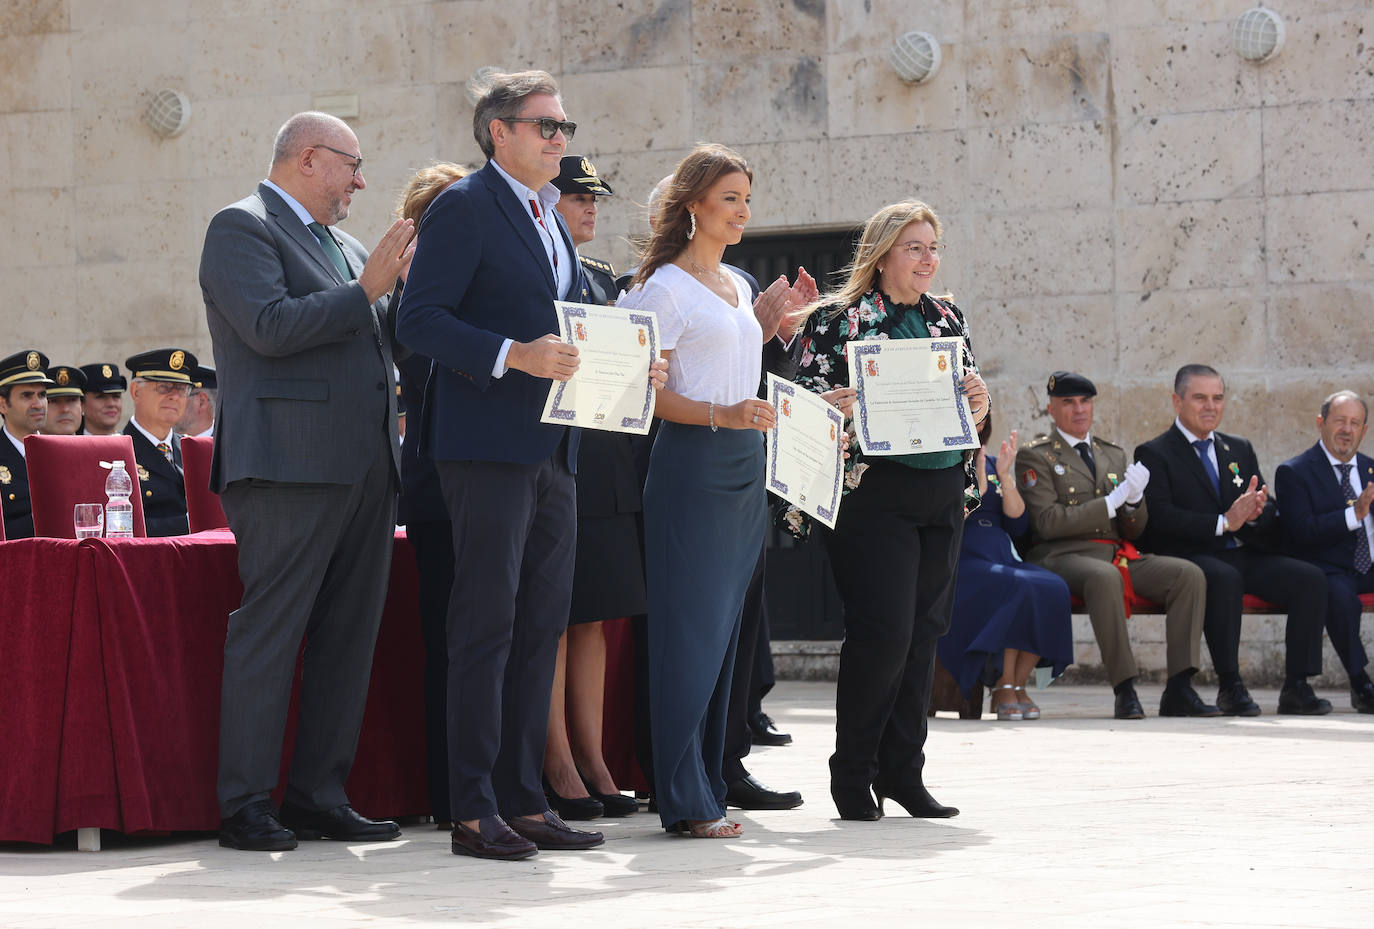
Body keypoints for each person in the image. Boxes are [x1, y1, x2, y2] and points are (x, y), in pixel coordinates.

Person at [395, 70, 614, 861]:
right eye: (544, 125)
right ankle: (473, 805)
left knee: (539, 627)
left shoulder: (551, 218)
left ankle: (525, 799)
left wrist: (628, 366)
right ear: (499, 132)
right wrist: (512, 355)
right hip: (485, 447)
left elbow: (565, 328)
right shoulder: (463, 206)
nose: (560, 138)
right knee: (485, 625)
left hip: (556, 446)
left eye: (565, 126)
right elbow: (418, 321)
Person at [200, 110, 414, 852]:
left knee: (347, 637)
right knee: (271, 631)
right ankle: (246, 803)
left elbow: (385, 342)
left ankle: (319, 794)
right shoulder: (241, 226)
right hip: (289, 466)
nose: (360, 181)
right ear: (308, 158)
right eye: (351, 165)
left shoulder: (351, 245)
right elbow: (268, 325)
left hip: (364, 468)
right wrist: (365, 291)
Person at [788, 199, 987, 822]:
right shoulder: (838, 321)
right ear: (881, 256)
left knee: (925, 633)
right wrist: (834, 407)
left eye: (933, 248)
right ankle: (853, 773)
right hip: (873, 497)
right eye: (914, 248)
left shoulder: (947, 318)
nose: (927, 260)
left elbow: (969, 408)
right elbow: (800, 404)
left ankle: (904, 773)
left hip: (940, 494)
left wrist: (979, 403)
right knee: (884, 634)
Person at [616, 143, 785, 839]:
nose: (743, 211)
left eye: (747, 198)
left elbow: (733, 366)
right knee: (689, 633)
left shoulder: (739, 286)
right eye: (729, 199)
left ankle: (707, 783)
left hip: (746, 467)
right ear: (693, 206)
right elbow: (651, 396)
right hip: (692, 465)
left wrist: (772, 323)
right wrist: (724, 414)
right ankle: (682, 795)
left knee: (722, 636)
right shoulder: (662, 287)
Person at [1134, 364, 1329, 716]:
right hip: (1189, 555)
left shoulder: (1238, 448)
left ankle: (1297, 686)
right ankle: (1230, 685)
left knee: (1309, 579)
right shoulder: (1154, 452)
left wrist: (1255, 514)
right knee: (1225, 579)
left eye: (1218, 398)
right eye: (1200, 398)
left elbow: (1265, 504)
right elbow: (1160, 518)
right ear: (1177, 402)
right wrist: (1224, 522)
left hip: (1241, 550)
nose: (1210, 406)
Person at [1016, 371, 1210, 720]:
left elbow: (1132, 531)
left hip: (1114, 552)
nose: (1079, 410)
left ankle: (1180, 686)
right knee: (1105, 578)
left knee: (1187, 575)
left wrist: (1134, 503)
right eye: (1069, 403)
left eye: (1085, 402)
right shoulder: (1037, 457)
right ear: (1051, 409)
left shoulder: (1112, 455)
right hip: (1061, 555)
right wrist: (1108, 504)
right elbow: (1046, 522)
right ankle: (1125, 689)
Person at [541, 153, 642, 820]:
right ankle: (555, 759)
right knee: (552, 617)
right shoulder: (535, 268)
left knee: (594, 619)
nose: (590, 205)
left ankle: (593, 755)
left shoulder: (605, 278)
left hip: (604, 460)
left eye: (595, 197)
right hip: (552, 452)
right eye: (576, 194)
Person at [393, 160, 472, 830]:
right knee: (450, 642)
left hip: (494, 481)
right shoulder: (410, 299)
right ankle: (452, 793)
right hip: (437, 490)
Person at [938, 417, 1073, 720]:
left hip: (1000, 554)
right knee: (1016, 587)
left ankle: (1017, 684)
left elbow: (1018, 524)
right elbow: (948, 518)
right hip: (965, 558)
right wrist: (980, 487)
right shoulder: (946, 463)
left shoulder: (995, 461)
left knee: (1053, 587)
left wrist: (1005, 477)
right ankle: (1004, 686)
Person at [1274, 390, 1374, 713]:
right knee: (1339, 596)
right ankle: (1361, 683)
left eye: (1355, 423)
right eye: (1340, 421)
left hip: (1369, 564)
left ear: (1364, 431)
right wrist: (1352, 515)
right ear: (1321, 423)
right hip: (1327, 567)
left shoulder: (1372, 470)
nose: (1347, 430)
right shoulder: (1295, 472)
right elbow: (1301, 532)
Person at [121, 349, 195, 538]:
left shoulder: (192, 449)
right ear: (136, 392)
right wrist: (186, 524)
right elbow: (121, 527)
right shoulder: (116, 451)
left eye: (182, 389)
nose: (175, 396)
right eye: (164, 387)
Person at [0, 349, 52, 540]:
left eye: (42, 395)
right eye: (27, 395)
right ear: (3, 405)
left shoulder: (59, 452)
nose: (38, 404)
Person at [79, 362, 126, 435]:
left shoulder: (133, 444)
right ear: (81, 403)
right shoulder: (70, 445)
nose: (111, 404)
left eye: (116, 396)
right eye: (101, 397)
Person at [40, 365, 86, 436]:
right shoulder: (25, 447)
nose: (65, 409)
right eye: (54, 401)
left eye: (72, 400)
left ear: (82, 406)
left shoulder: (93, 447)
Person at [175, 364, 217, 437]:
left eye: (179, 395)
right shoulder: (164, 444)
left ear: (201, 402)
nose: (170, 403)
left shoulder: (228, 444)